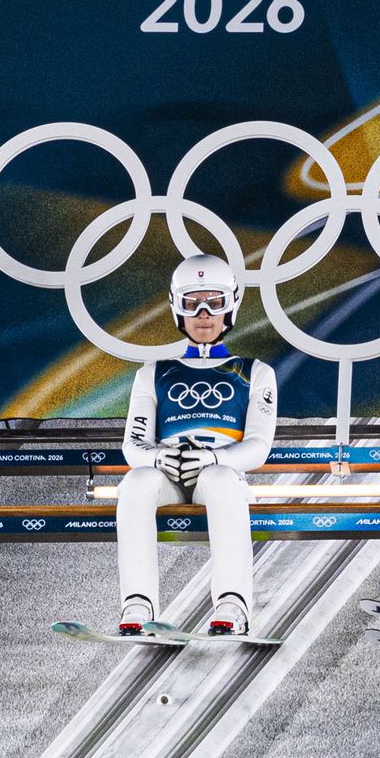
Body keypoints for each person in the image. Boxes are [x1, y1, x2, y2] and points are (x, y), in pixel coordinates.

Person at [115, 255, 277, 637]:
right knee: (136, 482)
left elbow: (259, 444)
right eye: (192, 304)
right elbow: (133, 443)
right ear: (177, 309)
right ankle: (137, 604)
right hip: (169, 472)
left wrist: (215, 457)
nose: (204, 315)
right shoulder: (153, 372)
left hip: (219, 473)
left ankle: (232, 605)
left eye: (214, 303)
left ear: (230, 307)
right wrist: (158, 457)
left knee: (221, 479)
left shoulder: (255, 372)